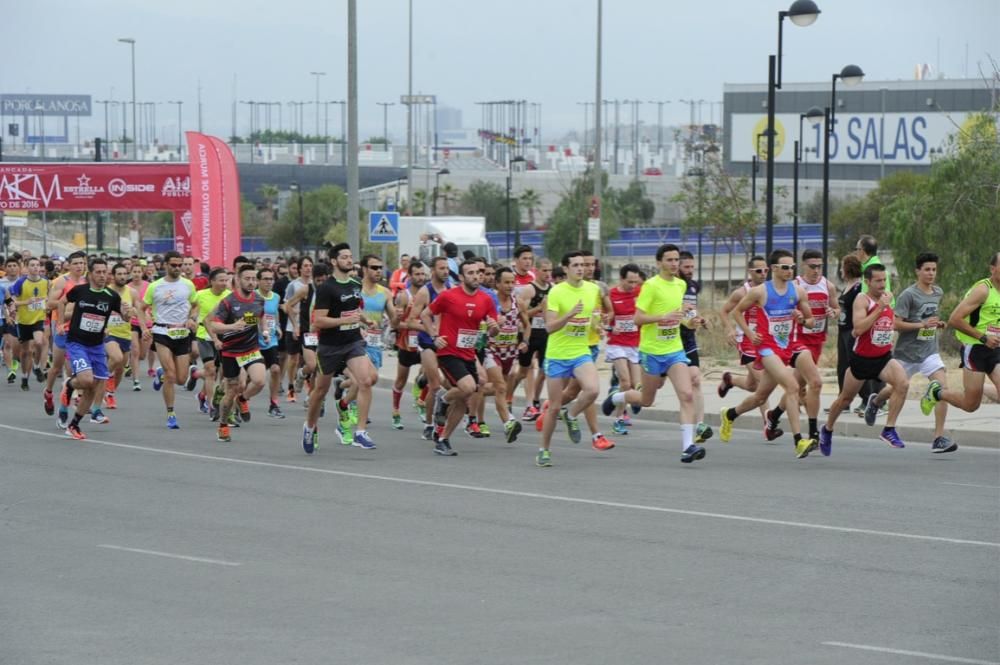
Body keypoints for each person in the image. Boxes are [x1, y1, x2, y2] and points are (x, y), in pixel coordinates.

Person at [602, 244, 704, 463]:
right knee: (646, 400)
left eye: (677, 260)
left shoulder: (680, 285)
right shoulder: (650, 286)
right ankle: (617, 396)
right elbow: (637, 319)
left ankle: (688, 446)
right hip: (651, 352)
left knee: (686, 394)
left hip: (674, 349)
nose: (674, 264)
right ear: (659, 263)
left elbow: (678, 317)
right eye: (669, 260)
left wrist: (691, 321)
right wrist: (663, 316)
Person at [720, 249, 818, 458]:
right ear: (773, 269)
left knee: (759, 396)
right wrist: (748, 333)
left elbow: (811, 322)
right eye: (785, 267)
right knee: (792, 385)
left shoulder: (799, 291)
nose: (789, 271)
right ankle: (799, 440)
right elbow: (737, 311)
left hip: (789, 346)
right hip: (766, 348)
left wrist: (802, 320)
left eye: (792, 267)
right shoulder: (760, 292)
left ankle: (729, 414)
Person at [862, 253, 952, 452]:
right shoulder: (908, 295)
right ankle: (876, 401)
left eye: (934, 270)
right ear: (917, 271)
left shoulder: (938, 292)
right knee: (896, 388)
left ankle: (938, 438)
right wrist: (921, 324)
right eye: (927, 269)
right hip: (906, 353)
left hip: (929, 351)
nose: (931, 273)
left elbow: (931, 318)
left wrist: (937, 324)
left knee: (942, 390)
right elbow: (895, 324)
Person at [818, 263, 910, 456]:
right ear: (867, 282)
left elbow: (888, 324)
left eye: (884, 280)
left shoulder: (888, 298)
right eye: (877, 281)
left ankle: (889, 429)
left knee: (902, 384)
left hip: (883, 357)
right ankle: (827, 429)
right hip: (861, 359)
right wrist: (879, 308)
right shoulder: (862, 300)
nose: (882, 284)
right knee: (844, 399)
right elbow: (858, 329)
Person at [302, 244, 378, 453]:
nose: (348, 260)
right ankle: (309, 427)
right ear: (334, 261)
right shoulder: (326, 288)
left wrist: (364, 320)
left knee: (366, 380)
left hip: (353, 342)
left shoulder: (355, 284)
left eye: (350, 257)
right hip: (329, 346)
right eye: (344, 257)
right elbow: (318, 321)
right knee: (320, 391)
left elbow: (354, 309)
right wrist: (343, 321)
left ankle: (360, 432)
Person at [537, 251, 606, 467]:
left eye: (582, 265)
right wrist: (569, 316)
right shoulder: (556, 292)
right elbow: (549, 327)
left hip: (580, 351)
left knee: (593, 390)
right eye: (575, 265)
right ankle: (544, 450)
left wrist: (598, 326)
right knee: (554, 406)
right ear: (565, 269)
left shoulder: (593, 289)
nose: (580, 268)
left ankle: (572, 415)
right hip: (557, 355)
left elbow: (592, 316)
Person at [423, 259, 498, 455]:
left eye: (478, 272)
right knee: (469, 387)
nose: (476, 276)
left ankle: (443, 439)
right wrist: (434, 336)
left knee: (465, 398)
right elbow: (425, 314)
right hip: (448, 352)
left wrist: (494, 328)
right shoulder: (448, 296)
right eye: (471, 273)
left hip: (468, 353)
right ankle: (443, 399)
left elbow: (493, 332)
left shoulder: (486, 300)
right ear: (462, 277)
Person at [922, 251, 1000, 417]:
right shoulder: (983, 290)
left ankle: (980, 388)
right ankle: (937, 393)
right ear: (993, 269)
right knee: (970, 405)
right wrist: (984, 338)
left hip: (996, 349)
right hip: (975, 349)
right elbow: (954, 319)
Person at [57, 258, 123, 440]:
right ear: (91, 274)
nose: (102, 276)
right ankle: (69, 386)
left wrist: (128, 312)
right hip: (77, 342)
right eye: (99, 272)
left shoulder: (112, 296)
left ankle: (74, 425)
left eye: (105, 272)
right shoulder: (80, 291)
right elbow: (61, 302)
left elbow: (124, 315)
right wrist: (61, 323)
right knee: (86, 380)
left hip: (97, 345)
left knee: (93, 387)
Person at [208, 264, 268, 441]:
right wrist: (232, 326)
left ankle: (243, 400)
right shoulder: (228, 302)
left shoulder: (258, 300)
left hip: (250, 349)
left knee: (259, 381)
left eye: (254, 279)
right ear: (238, 280)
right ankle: (223, 425)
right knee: (230, 391)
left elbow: (260, 316)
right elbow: (214, 325)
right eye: (247, 279)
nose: (251, 283)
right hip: (231, 352)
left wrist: (264, 331)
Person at [143, 250, 199, 429]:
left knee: (181, 379)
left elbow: (196, 305)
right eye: (173, 265)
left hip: (182, 333)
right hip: (162, 331)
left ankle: (160, 375)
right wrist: (145, 328)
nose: (177, 268)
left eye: (179, 265)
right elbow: (141, 307)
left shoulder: (188, 285)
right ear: (165, 265)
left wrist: (192, 318)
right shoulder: (155, 286)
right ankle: (171, 413)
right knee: (171, 375)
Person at [717, 256, 772, 425]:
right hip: (746, 342)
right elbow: (724, 311)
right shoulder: (742, 292)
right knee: (763, 382)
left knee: (752, 386)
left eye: (765, 270)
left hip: (764, 341)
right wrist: (730, 330)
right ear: (750, 272)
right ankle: (768, 424)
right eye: (758, 271)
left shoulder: (770, 290)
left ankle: (730, 380)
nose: (763, 274)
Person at [408, 256, 452, 441]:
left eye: (447, 268)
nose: (446, 271)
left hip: (447, 343)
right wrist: (431, 330)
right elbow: (411, 320)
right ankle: (429, 424)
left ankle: (443, 417)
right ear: (433, 271)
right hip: (427, 343)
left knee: (453, 386)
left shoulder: (451, 290)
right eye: (442, 268)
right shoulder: (425, 293)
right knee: (435, 386)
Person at [483, 267, 526, 443]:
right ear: (498, 283)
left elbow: (526, 324)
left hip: (510, 352)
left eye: (512, 282)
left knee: (490, 388)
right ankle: (508, 422)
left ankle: (467, 393)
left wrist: (525, 341)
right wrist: (491, 327)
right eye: (506, 282)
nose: (510, 286)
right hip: (491, 350)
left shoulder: (519, 303)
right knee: (500, 387)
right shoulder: (489, 302)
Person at [45, 251, 88, 419]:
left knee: (73, 369)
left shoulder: (86, 282)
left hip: (80, 329)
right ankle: (48, 392)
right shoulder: (61, 281)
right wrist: (72, 302)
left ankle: (74, 397)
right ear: (68, 265)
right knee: (56, 367)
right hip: (63, 327)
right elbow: (49, 304)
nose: (79, 266)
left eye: (82, 263)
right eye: (76, 263)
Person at [101, 262, 148, 413]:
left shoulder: (132, 292)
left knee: (120, 369)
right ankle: (102, 378)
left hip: (125, 333)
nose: (122, 277)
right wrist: (103, 327)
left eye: (124, 274)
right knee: (116, 358)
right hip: (109, 333)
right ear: (113, 276)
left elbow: (139, 311)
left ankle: (110, 393)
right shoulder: (106, 291)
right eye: (119, 274)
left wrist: (143, 327)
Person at [512, 258, 552, 421]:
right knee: (523, 371)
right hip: (529, 334)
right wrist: (538, 308)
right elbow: (522, 315)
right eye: (544, 270)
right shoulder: (529, 289)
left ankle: (534, 403)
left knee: (543, 370)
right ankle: (509, 395)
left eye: (550, 271)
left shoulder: (553, 289)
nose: (548, 274)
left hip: (545, 334)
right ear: (537, 271)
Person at [604, 263, 643, 435]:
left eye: (636, 282)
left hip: (634, 344)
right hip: (617, 343)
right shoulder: (611, 294)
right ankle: (618, 420)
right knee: (625, 382)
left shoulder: (640, 292)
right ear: (621, 279)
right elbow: (603, 319)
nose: (633, 286)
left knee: (636, 385)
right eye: (629, 282)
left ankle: (615, 396)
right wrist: (610, 328)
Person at [678, 251, 713, 443]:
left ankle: (699, 425)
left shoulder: (693, 286)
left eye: (692, 267)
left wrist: (699, 320)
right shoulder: (674, 287)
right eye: (686, 267)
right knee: (649, 394)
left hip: (689, 341)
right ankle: (621, 397)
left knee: (696, 381)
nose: (690, 271)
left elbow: (691, 311)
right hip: (669, 342)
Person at [391, 260, 428, 430]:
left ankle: (421, 401)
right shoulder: (403, 296)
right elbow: (396, 324)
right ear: (410, 276)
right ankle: (396, 412)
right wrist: (413, 324)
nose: (421, 277)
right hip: (406, 344)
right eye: (417, 274)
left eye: (423, 274)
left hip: (423, 342)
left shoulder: (428, 294)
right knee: (400, 381)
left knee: (431, 374)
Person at [189, 268, 231, 419]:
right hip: (203, 335)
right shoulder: (200, 295)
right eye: (221, 280)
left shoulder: (229, 296)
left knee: (221, 374)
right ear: (212, 281)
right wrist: (192, 319)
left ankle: (201, 393)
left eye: (226, 280)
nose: (224, 283)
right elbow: (192, 311)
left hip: (222, 337)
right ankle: (212, 405)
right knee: (211, 370)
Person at [8, 257, 48, 395]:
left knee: (39, 342)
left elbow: (49, 297)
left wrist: (47, 302)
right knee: (25, 352)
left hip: (38, 319)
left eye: (37, 265)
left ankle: (37, 367)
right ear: (26, 267)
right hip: (24, 321)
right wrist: (26, 301)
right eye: (32, 265)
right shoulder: (21, 282)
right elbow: (12, 302)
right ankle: (25, 378)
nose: (36, 268)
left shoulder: (45, 282)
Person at [256, 266, 285, 419]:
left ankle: (274, 404)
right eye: (265, 279)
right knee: (250, 378)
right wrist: (259, 328)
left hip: (271, 340)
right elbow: (249, 317)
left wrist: (278, 327)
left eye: (271, 279)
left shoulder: (276, 297)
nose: (269, 282)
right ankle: (240, 401)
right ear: (258, 281)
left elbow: (275, 314)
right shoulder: (252, 296)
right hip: (253, 341)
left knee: (275, 370)